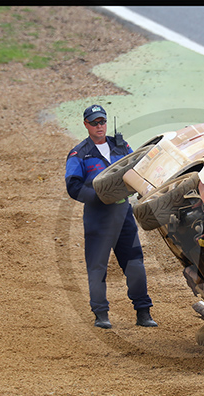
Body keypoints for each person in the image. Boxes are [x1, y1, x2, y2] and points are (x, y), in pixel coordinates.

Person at [65, 104, 157, 329]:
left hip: (124, 215)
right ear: (86, 125)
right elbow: (73, 186)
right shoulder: (80, 153)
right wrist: (99, 197)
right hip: (97, 218)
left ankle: (143, 313)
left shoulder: (122, 146)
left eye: (102, 122)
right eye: (94, 123)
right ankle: (101, 314)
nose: (99, 126)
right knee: (97, 268)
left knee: (135, 264)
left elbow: (139, 170)